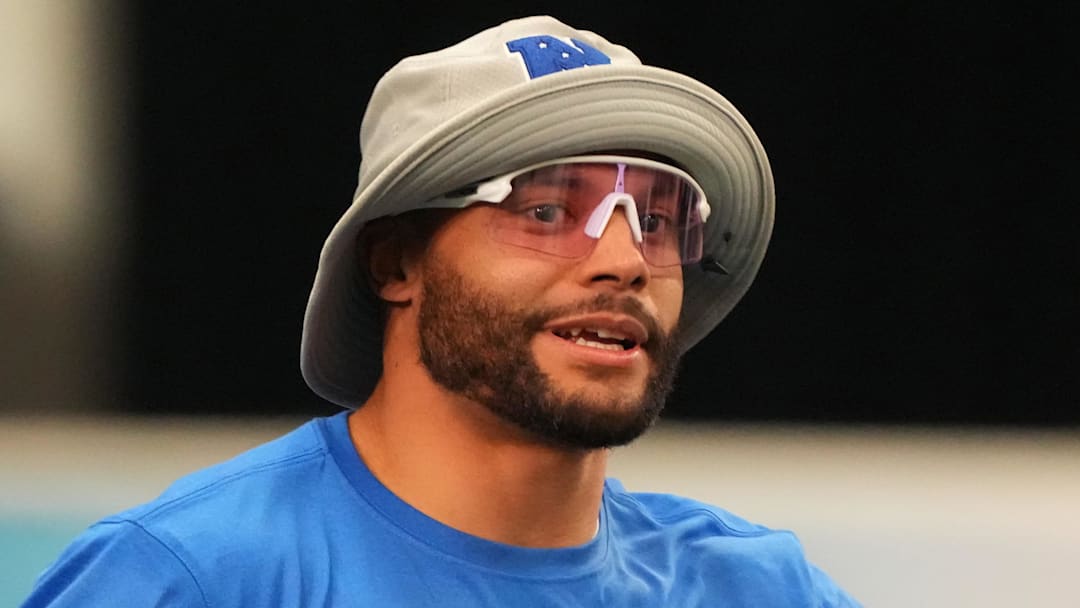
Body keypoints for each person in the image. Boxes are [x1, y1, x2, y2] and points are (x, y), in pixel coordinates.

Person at [23, 15, 861, 607]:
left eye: (662, 218)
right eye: (545, 211)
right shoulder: (190, 577)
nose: (624, 260)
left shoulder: (757, 589)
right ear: (396, 261)